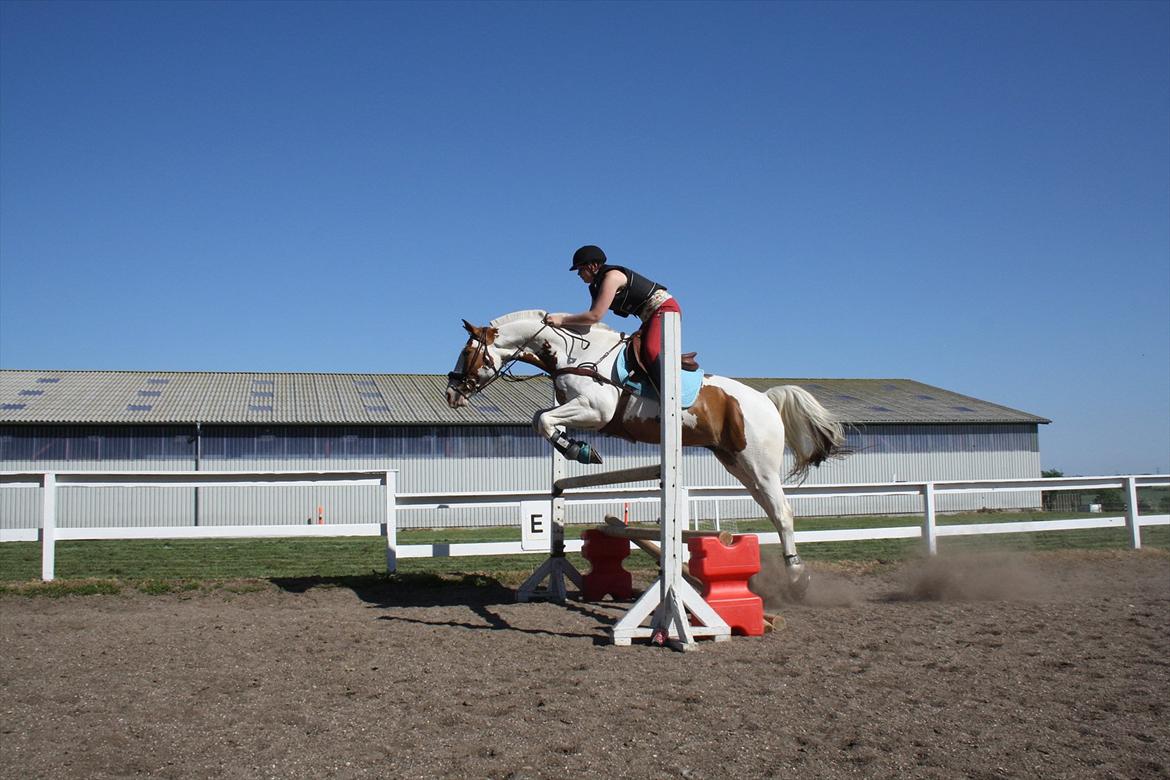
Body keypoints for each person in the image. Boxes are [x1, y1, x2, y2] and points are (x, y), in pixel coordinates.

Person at [545, 244, 681, 390]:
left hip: (665, 309)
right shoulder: (595, 287)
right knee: (633, 351)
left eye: (580, 269)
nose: (579, 274)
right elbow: (588, 322)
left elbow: (594, 316)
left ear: (593, 266)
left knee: (650, 350)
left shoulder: (612, 277)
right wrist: (561, 326)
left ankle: (671, 394)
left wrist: (562, 320)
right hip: (649, 316)